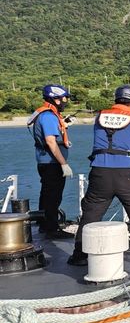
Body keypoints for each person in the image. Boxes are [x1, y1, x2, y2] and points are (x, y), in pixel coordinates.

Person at [68, 85, 130, 265]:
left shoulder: (99, 118)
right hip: (126, 174)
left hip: (99, 173)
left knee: (91, 214)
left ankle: (79, 255)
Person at [27, 84, 74, 238]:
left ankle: (44, 223)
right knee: (53, 196)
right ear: (56, 99)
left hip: (46, 161)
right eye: (63, 98)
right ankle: (52, 229)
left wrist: (64, 124)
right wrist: (63, 164)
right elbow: (51, 142)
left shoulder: (48, 114)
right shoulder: (48, 116)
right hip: (51, 163)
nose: (65, 101)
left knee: (46, 194)